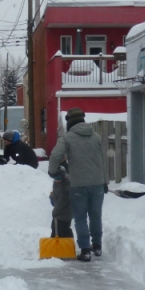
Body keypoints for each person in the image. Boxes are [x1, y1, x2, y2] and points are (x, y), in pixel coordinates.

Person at [48, 107, 107, 262]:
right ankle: (97, 246)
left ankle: (85, 250)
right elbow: (103, 162)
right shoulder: (96, 137)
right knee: (95, 215)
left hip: (78, 185)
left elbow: (55, 156)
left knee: (80, 217)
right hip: (97, 184)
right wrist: (105, 181)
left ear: (69, 122)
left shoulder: (67, 138)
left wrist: (53, 172)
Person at [49, 164, 74, 237]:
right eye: (55, 178)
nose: (57, 180)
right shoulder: (56, 183)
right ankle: (54, 245)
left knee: (64, 229)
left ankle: (68, 245)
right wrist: (52, 197)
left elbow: (62, 201)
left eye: (58, 178)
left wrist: (55, 211)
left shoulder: (66, 186)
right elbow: (56, 194)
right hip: (58, 211)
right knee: (54, 228)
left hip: (66, 213)